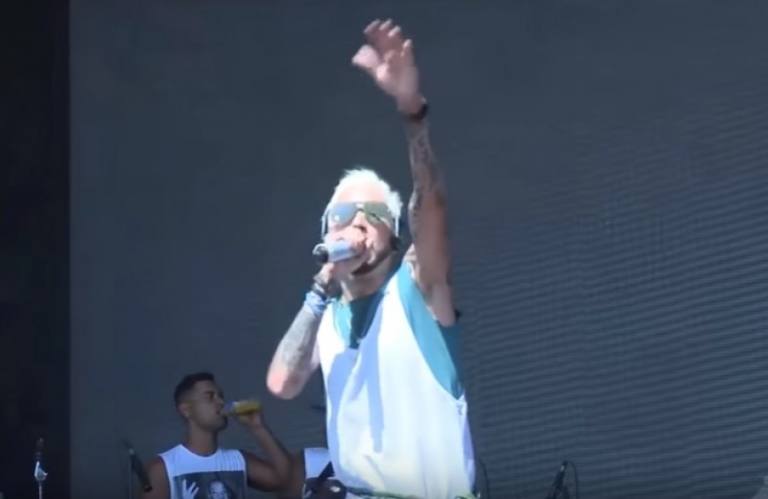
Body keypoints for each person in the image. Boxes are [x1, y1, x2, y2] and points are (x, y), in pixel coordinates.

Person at [266, 19, 475, 499]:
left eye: (373, 214)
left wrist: (411, 111)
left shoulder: (417, 288)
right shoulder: (326, 316)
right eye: (343, 214)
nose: (357, 222)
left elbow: (431, 203)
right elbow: (281, 383)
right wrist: (323, 283)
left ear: (394, 235)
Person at [142, 372, 291, 499]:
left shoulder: (239, 460)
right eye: (210, 397)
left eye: (221, 396)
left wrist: (258, 428)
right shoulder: (162, 468)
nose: (220, 402)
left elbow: (287, 480)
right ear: (186, 410)